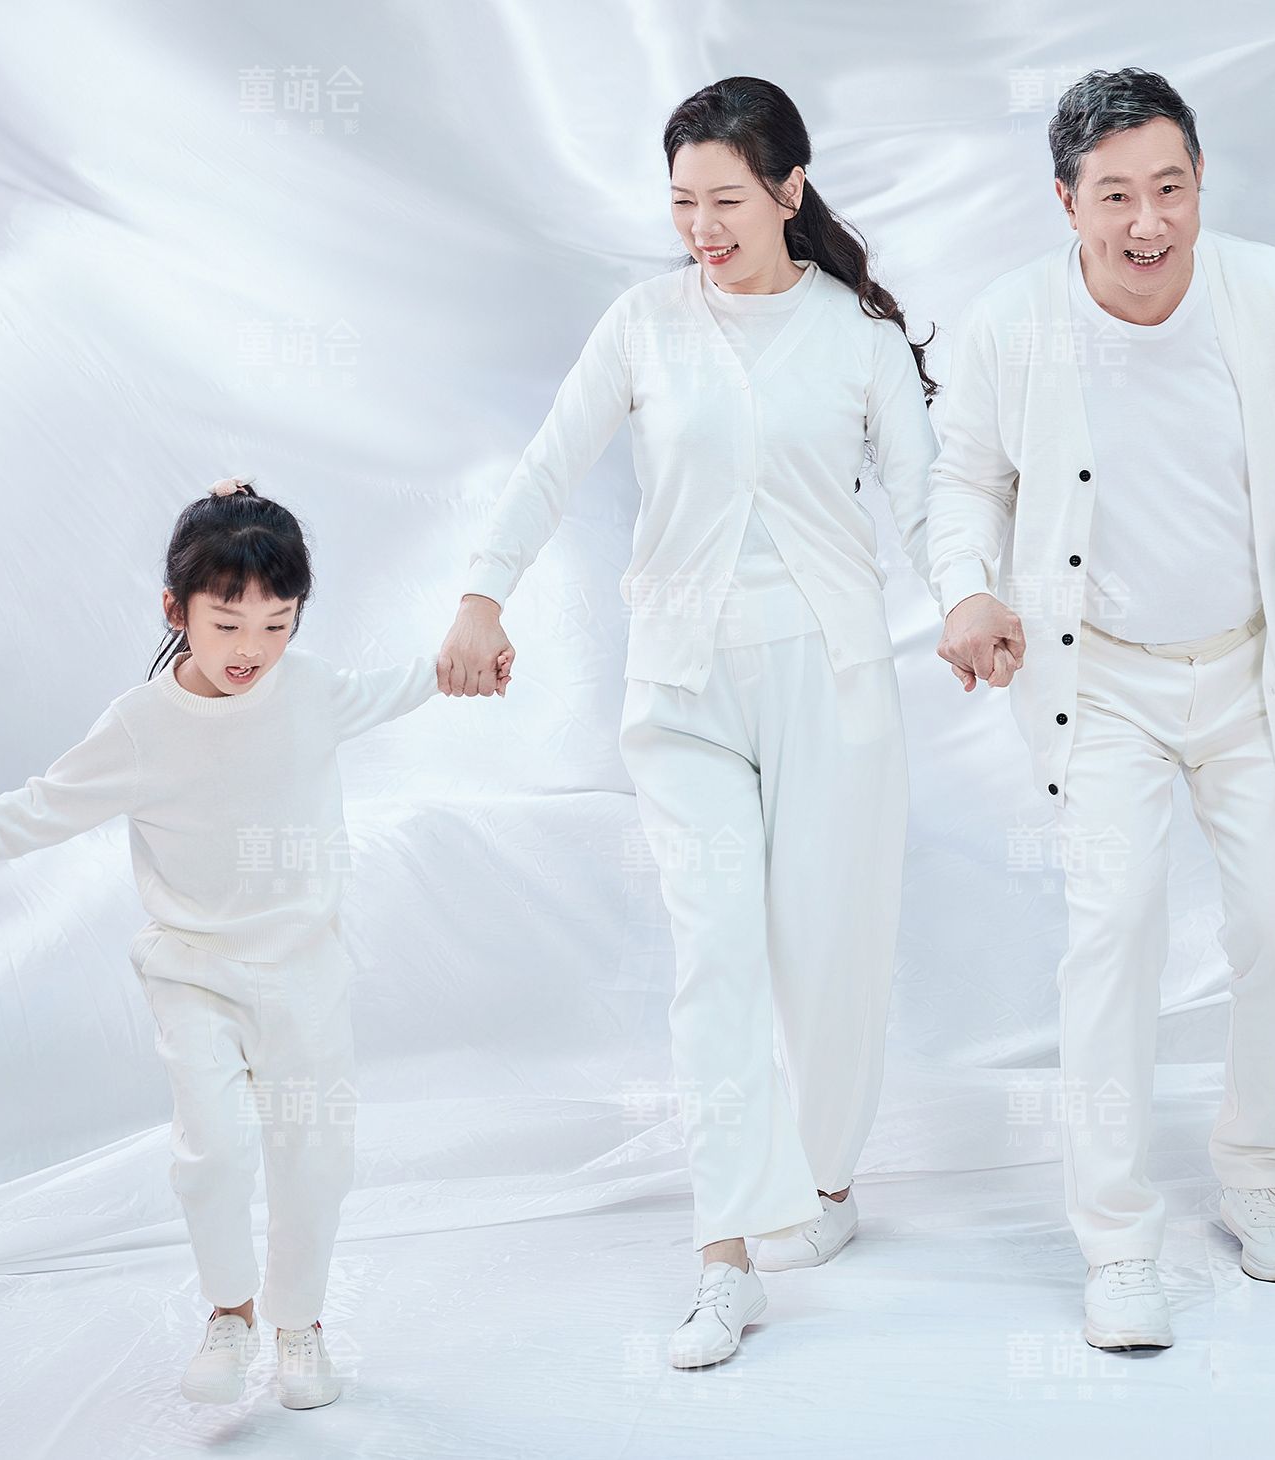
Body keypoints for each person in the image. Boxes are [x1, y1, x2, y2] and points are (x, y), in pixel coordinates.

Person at [434, 77, 941, 1368]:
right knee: (715, 953)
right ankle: (724, 1259)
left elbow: (928, 501)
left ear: (788, 189)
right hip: (682, 686)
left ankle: (823, 1178)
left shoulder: (857, 335)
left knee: (829, 954)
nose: (701, 229)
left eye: (725, 200)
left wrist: (973, 598)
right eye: (680, 204)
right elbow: (551, 460)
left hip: (831, 680)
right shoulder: (644, 325)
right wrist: (482, 595)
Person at [926, 67, 1275, 1350]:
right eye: (1117, 196)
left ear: (1201, 184)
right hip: (1101, 684)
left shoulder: (1270, 290)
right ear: (1065, 200)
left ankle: (1260, 1177)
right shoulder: (1012, 322)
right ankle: (1117, 1241)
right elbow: (965, 477)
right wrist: (967, 589)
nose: (1149, 224)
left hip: (1255, 665)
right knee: (1117, 930)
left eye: (1172, 189)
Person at [0, 478, 483, 1407]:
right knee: (213, 1156)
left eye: (278, 624)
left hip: (305, 970)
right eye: (227, 624)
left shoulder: (309, 690)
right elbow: (39, 807)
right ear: (175, 609)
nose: (252, 649)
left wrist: (467, 663)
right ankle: (231, 1314)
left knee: (317, 1158)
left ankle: (300, 1326)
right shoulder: (141, 726)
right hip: (193, 972)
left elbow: (405, 683)